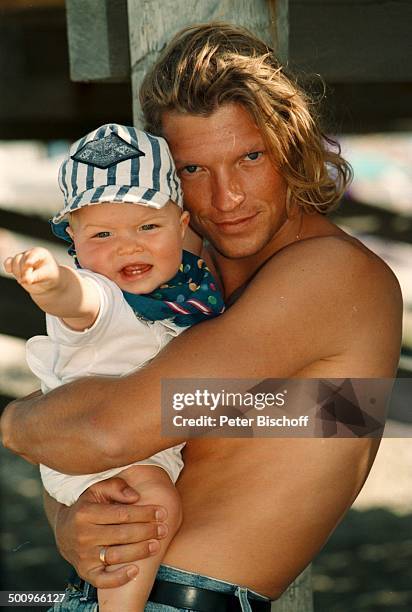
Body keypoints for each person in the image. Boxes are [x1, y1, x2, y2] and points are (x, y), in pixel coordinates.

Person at [1, 22, 403, 612]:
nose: (227, 197)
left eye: (249, 157)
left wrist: (14, 424)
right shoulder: (181, 276)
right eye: (194, 170)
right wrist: (71, 522)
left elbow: (102, 431)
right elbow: (95, 430)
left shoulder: (334, 277)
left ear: (291, 143)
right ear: (166, 180)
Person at [3, 123, 223, 612]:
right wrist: (50, 281)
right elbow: (80, 300)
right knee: (152, 507)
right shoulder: (107, 294)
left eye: (148, 227)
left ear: (182, 227)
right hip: (105, 453)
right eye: (103, 234)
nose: (128, 247)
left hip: (125, 448)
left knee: (142, 513)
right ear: (76, 246)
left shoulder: (184, 296)